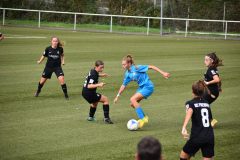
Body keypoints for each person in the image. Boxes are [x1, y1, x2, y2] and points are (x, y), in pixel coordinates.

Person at [114, 55, 170, 129]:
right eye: (122, 64)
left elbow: (152, 67)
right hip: (141, 88)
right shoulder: (127, 73)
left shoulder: (137, 68)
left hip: (148, 86)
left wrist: (163, 73)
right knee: (133, 104)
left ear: (129, 63)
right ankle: (145, 117)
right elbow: (123, 85)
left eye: (124, 64)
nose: (122, 66)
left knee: (133, 99)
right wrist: (117, 96)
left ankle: (142, 119)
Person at [180, 80, 214, 160]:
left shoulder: (190, 103)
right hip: (209, 136)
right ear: (203, 91)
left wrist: (184, 127)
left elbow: (190, 111)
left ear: (192, 91)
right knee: (208, 158)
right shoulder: (206, 103)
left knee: (183, 156)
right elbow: (210, 119)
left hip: (197, 137)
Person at [203, 52, 223, 126]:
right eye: (204, 60)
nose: (204, 61)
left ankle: (211, 120)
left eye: (206, 60)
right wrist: (219, 87)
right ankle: (210, 120)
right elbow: (219, 79)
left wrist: (207, 83)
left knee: (204, 103)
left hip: (212, 92)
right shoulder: (212, 68)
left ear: (211, 61)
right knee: (204, 103)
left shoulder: (211, 69)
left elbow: (217, 79)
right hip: (211, 91)